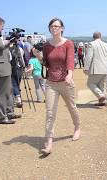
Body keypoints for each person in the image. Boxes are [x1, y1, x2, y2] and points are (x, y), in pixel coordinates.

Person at [34, 18, 80, 155]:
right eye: (52, 26)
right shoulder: (47, 45)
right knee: (50, 113)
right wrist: (38, 56)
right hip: (51, 83)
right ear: (49, 28)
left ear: (62, 28)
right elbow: (46, 64)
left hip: (66, 82)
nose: (54, 28)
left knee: (72, 107)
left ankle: (77, 127)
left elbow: (70, 60)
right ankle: (48, 141)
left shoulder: (68, 43)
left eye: (57, 26)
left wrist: (70, 74)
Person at [0, 16, 21, 124]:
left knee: (9, 90)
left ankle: (9, 112)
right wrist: (3, 43)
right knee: (1, 93)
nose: (3, 29)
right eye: (2, 27)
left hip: (5, 65)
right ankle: (1, 117)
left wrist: (9, 43)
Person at [83, 32, 107, 106]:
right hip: (106, 69)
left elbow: (89, 57)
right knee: (101, 86)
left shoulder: (91, 44)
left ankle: (101, 96)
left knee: (90, 83)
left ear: (93, 37)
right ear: (100, 37)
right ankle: (103, 101)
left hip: (96, 69)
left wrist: (86, 68)